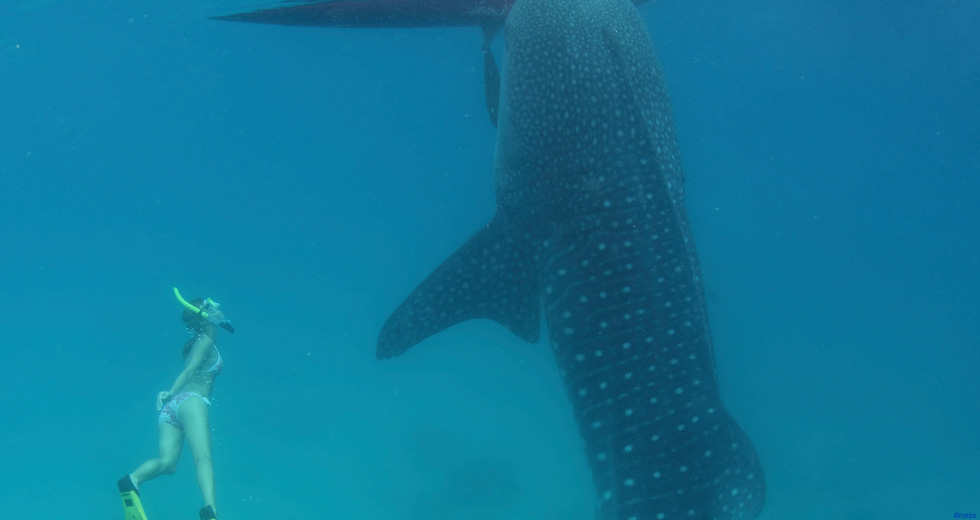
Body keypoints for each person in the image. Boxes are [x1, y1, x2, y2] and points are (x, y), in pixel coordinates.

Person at [118, 288, 234, 520]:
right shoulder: (206, 341)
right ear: (205, 313)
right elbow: (190, 370)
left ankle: (132, 481)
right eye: (213, 307)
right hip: (191, 401)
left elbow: (190, 368)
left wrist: (171, 396)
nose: (220, 310)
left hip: (173, 407)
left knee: (168, 463)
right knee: (202, 457)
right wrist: (170, 390)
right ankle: (210, 511)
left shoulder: (197, 341)